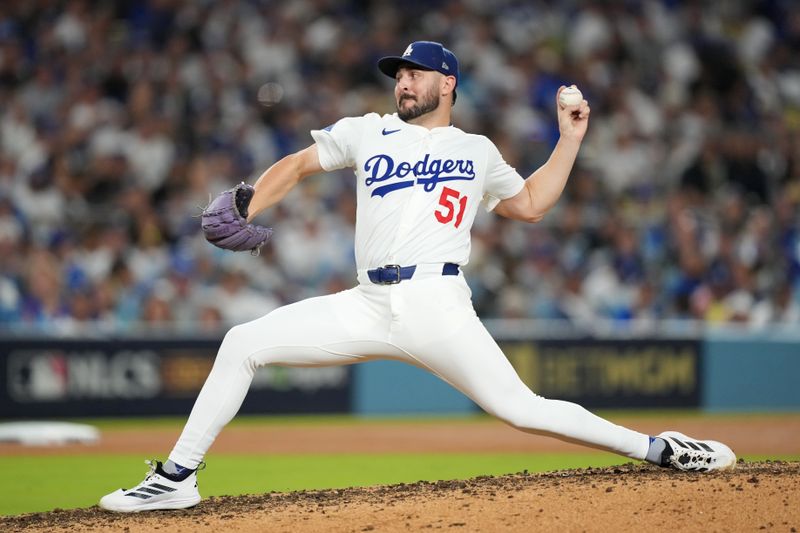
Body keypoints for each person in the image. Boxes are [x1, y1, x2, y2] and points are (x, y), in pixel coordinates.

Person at [99, 41, 736, 512]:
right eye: (398, 74)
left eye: (415, 73)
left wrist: (569, 141)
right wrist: (246, 200)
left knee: (522, 410)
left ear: (448, 83)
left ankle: (658, 448)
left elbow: (532, 207)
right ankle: (177, 478)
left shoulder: (476, 150)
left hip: (438, 302)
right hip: (368, 300)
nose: (403, 82)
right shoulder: (367, 132)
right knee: (242, 342)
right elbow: (295, 164)